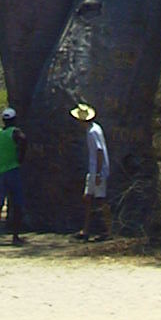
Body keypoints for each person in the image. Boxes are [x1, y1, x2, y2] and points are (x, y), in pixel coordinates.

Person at [70, 102, 111, 241]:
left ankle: (107, 230)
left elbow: (99, 151)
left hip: (97, 171)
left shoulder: (93, 132)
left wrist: (99, 173)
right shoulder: (94, 129)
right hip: (93, 170)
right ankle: (86, 230)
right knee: (88, 198)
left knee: (100, 200)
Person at [0, 106, 27, 245]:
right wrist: (19, 157)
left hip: (0, 172)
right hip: (13, 170)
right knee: (17, 204)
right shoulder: (15, 132)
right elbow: (24, 140)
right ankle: (15, 237)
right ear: (14, 120)